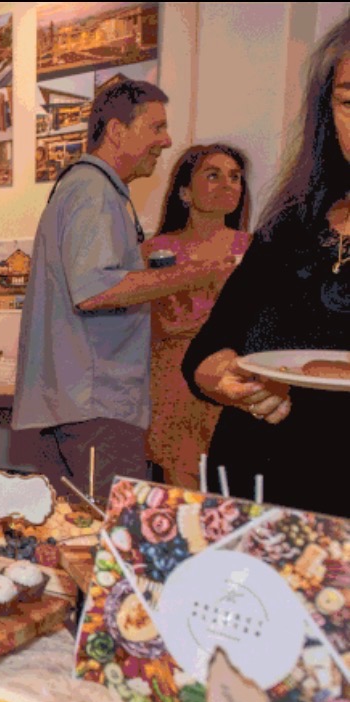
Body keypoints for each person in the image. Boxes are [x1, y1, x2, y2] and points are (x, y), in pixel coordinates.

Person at [10, 80, 227, 501]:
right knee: (109, 540)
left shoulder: (86, 188)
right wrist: (197, 274)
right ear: (116, 131)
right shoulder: (94, 189)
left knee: (79, 533)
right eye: (156, 127)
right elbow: (94, 290)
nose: (166, 141)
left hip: (78, 404)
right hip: (97, 407)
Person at [183, 19, 350, 517]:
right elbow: (207, 350)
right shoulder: (292, 225)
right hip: (255, 490)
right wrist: (223, 377)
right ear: (328, 114)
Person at [141, 145, 252, 488]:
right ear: (184, 191)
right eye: (213, 175)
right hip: (171, 386)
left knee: (234, 487)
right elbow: (141, 324)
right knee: (181, 491)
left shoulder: (256, 248)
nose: (227, 184)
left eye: (235, 177)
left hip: (233, 379)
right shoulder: (154, 251)